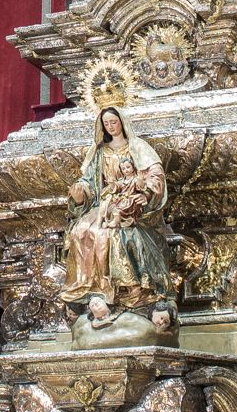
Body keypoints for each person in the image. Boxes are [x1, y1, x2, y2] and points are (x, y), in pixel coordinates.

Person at [61, 104, 174, 343]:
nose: (111, 126)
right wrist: (80, 194)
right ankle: (92, 290)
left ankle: (124, 291)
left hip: (129, 203)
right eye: (106, 124)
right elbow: (90, 183)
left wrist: (146, 193)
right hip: (104, 203)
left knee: (110, 235)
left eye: (114, 122)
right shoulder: (99, 152)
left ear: (121, 122)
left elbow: (155, 174)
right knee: (82, 230)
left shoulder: (137, 147)